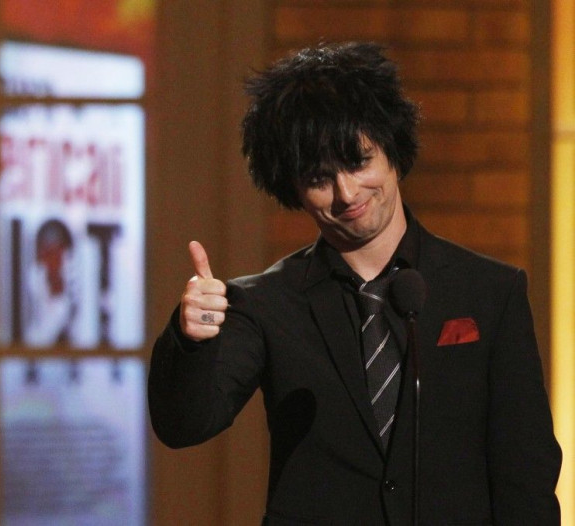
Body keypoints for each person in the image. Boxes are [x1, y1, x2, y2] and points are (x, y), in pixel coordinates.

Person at [148, 42, 561, 525]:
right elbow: (184, 425)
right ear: (292, 187)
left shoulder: (490, 292)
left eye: (359, 161)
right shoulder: (265, 303)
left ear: (393, 150)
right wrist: (190, 338)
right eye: (320, 178)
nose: (346, 193)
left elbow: (525, 474)